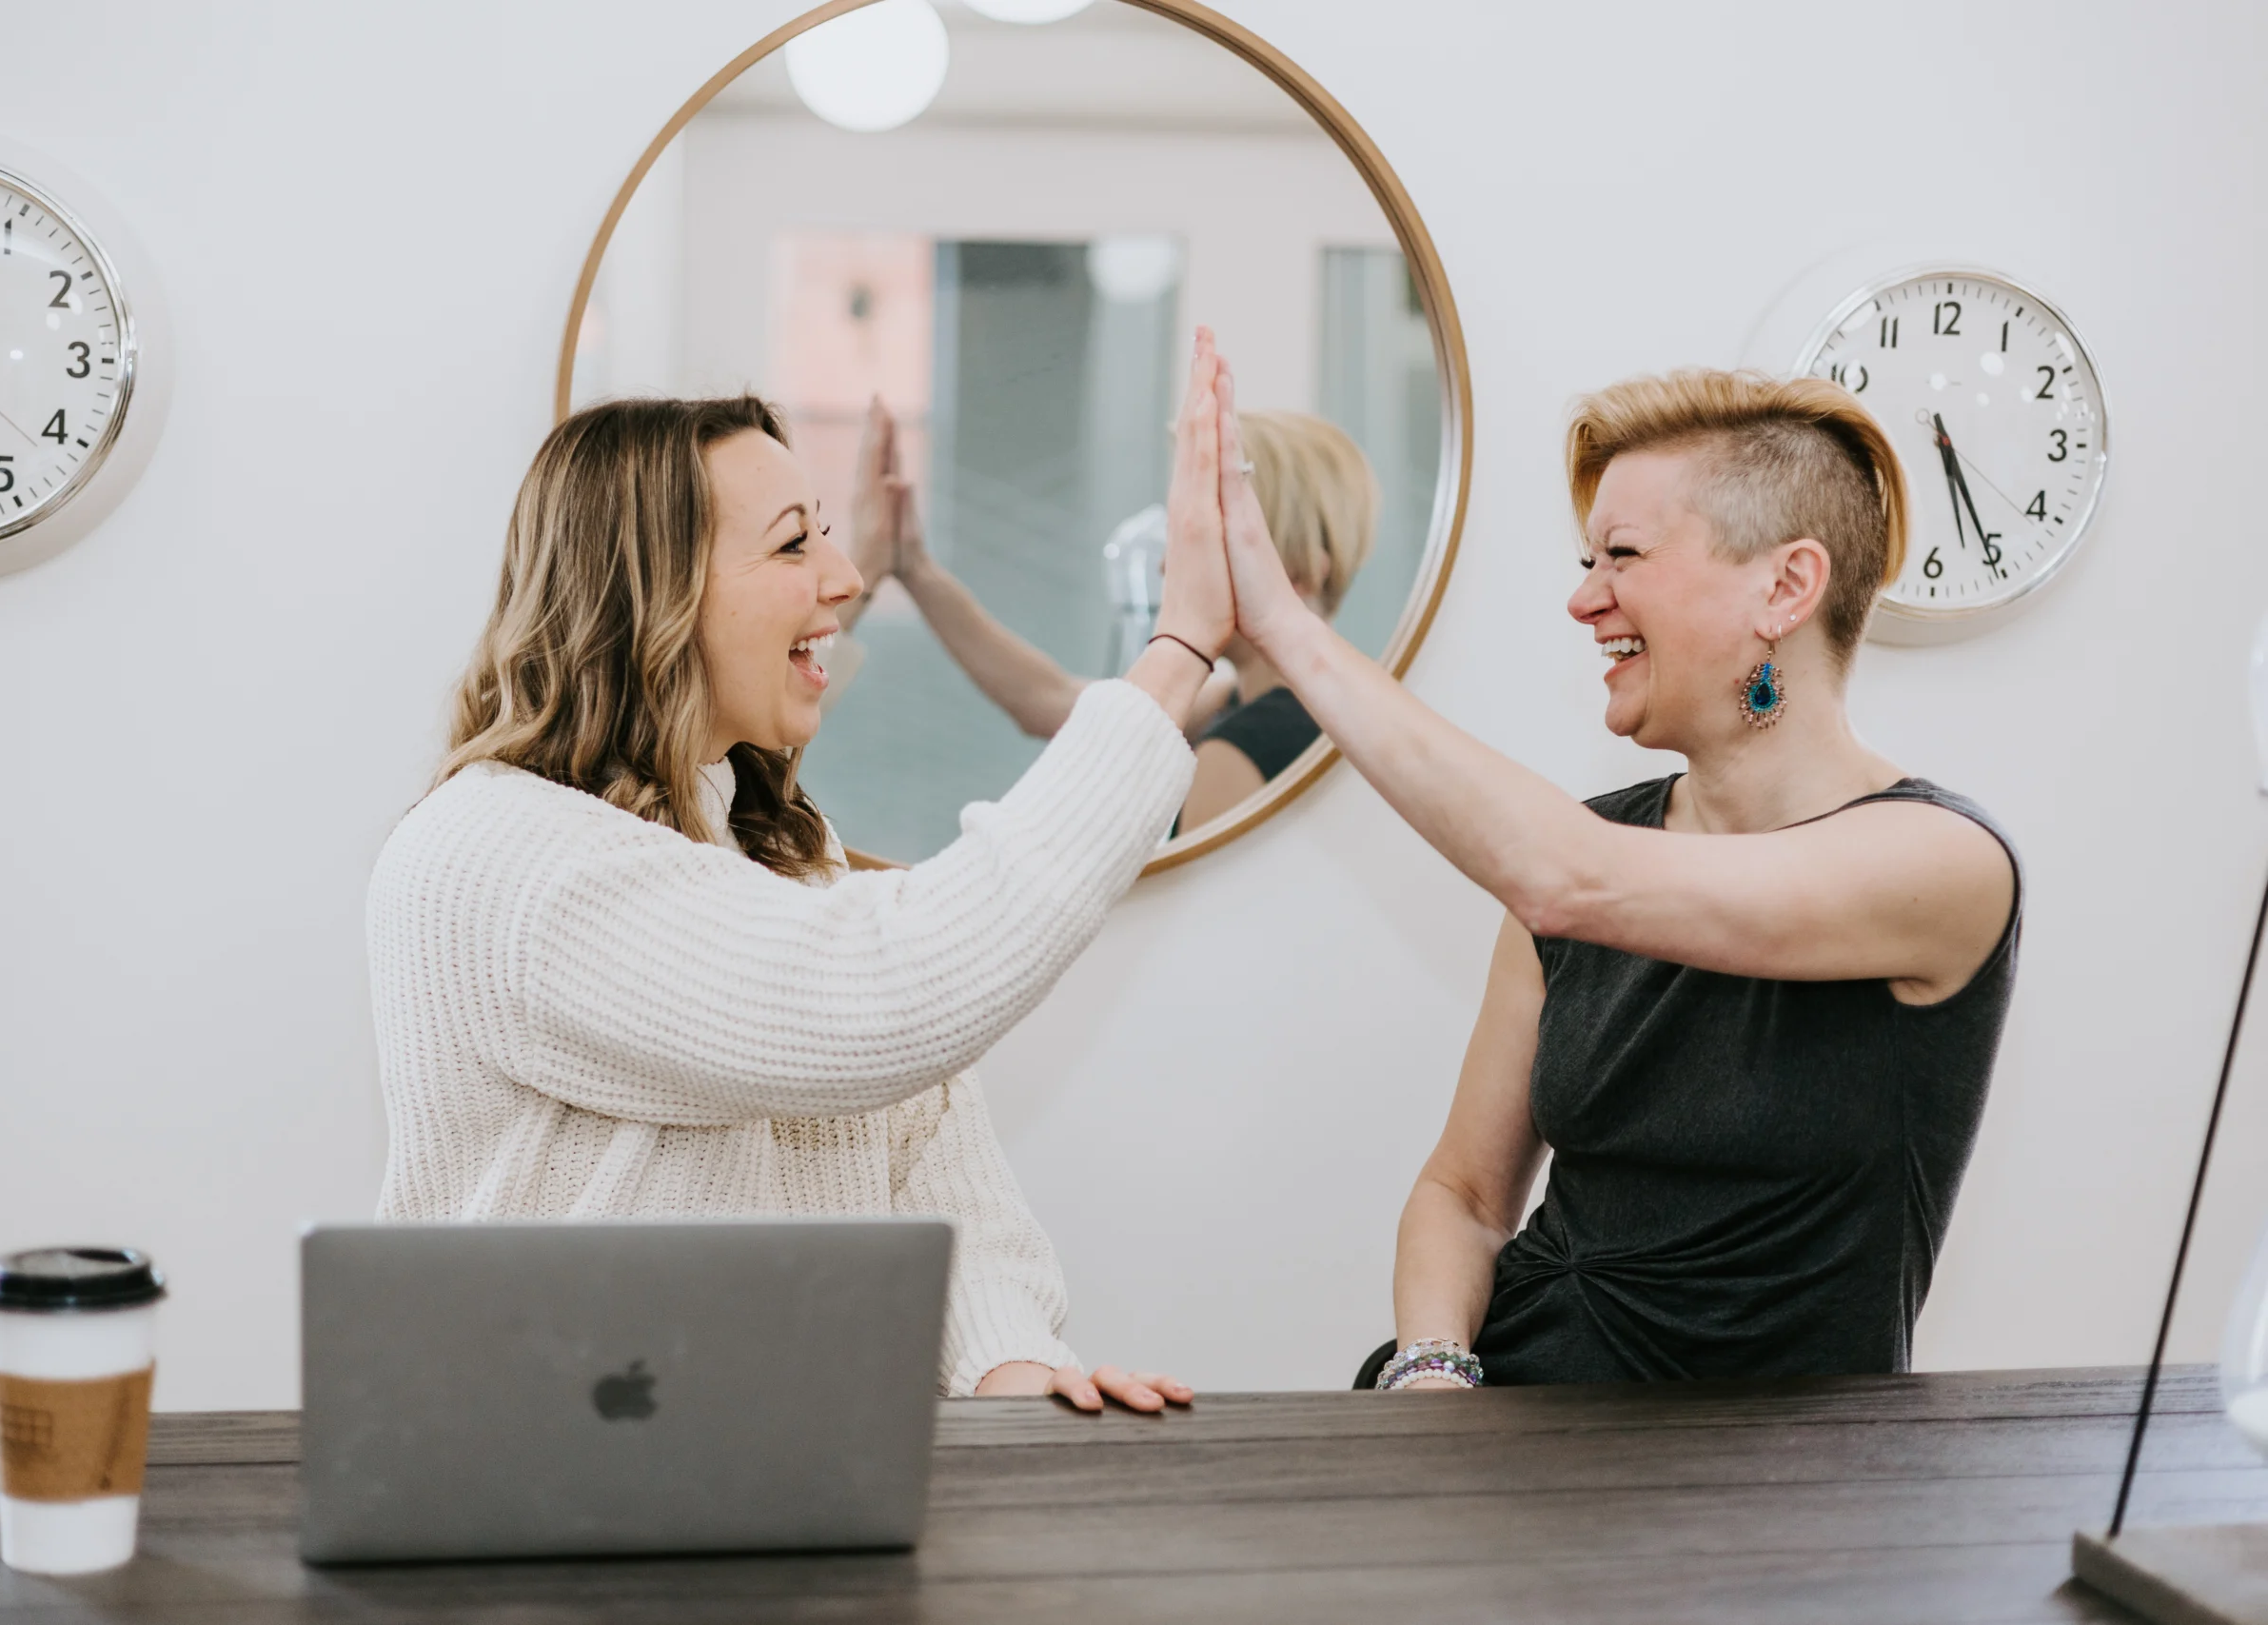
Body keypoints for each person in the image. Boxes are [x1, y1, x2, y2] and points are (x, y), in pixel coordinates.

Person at [365, 330, 1245, 1412]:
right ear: (650, 594)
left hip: (794, 1482)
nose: (840, 578)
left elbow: (935, 1178)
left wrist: (1015, 1373)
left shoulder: (783, 850)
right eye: (793, 547)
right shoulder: (489, 857)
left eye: (830, 538)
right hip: (548, 1506)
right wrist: (1178, 650)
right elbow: (872, 998)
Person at [1207, 358, 2021, 1390]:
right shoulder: (1583, 854)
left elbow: (1565, 877)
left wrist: (1285, 626)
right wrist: (1431, 1370)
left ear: (1785, 586)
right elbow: (1462, 1194)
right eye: (1586, 559)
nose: (1584, 600)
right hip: (1511, 1421)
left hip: (1787, 1498)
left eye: (1622, 555)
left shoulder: (1943, 865)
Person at [842, 401, 1376, 833]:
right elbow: (1050, 703)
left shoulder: (1237, 752)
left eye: (1200, 538)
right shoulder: (1322, 711)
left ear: (1298, 568)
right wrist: (913, 568)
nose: (1169, 565)